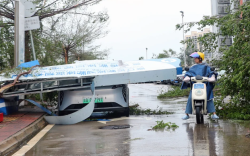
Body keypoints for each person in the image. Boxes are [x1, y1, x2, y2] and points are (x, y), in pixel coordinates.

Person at [181, 52, 219, 120]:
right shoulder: (193, 67)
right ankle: (186, 114)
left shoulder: (207, 67)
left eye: (196, 58)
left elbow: (211, 72)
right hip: (195, 85)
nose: (194, 59)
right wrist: (187, 77)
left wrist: (212, 77)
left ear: (200, 58)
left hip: (205, 85)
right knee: (190, 97)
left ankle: (214, 114)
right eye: (194, 58)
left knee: (208, 97)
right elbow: (188, 73)